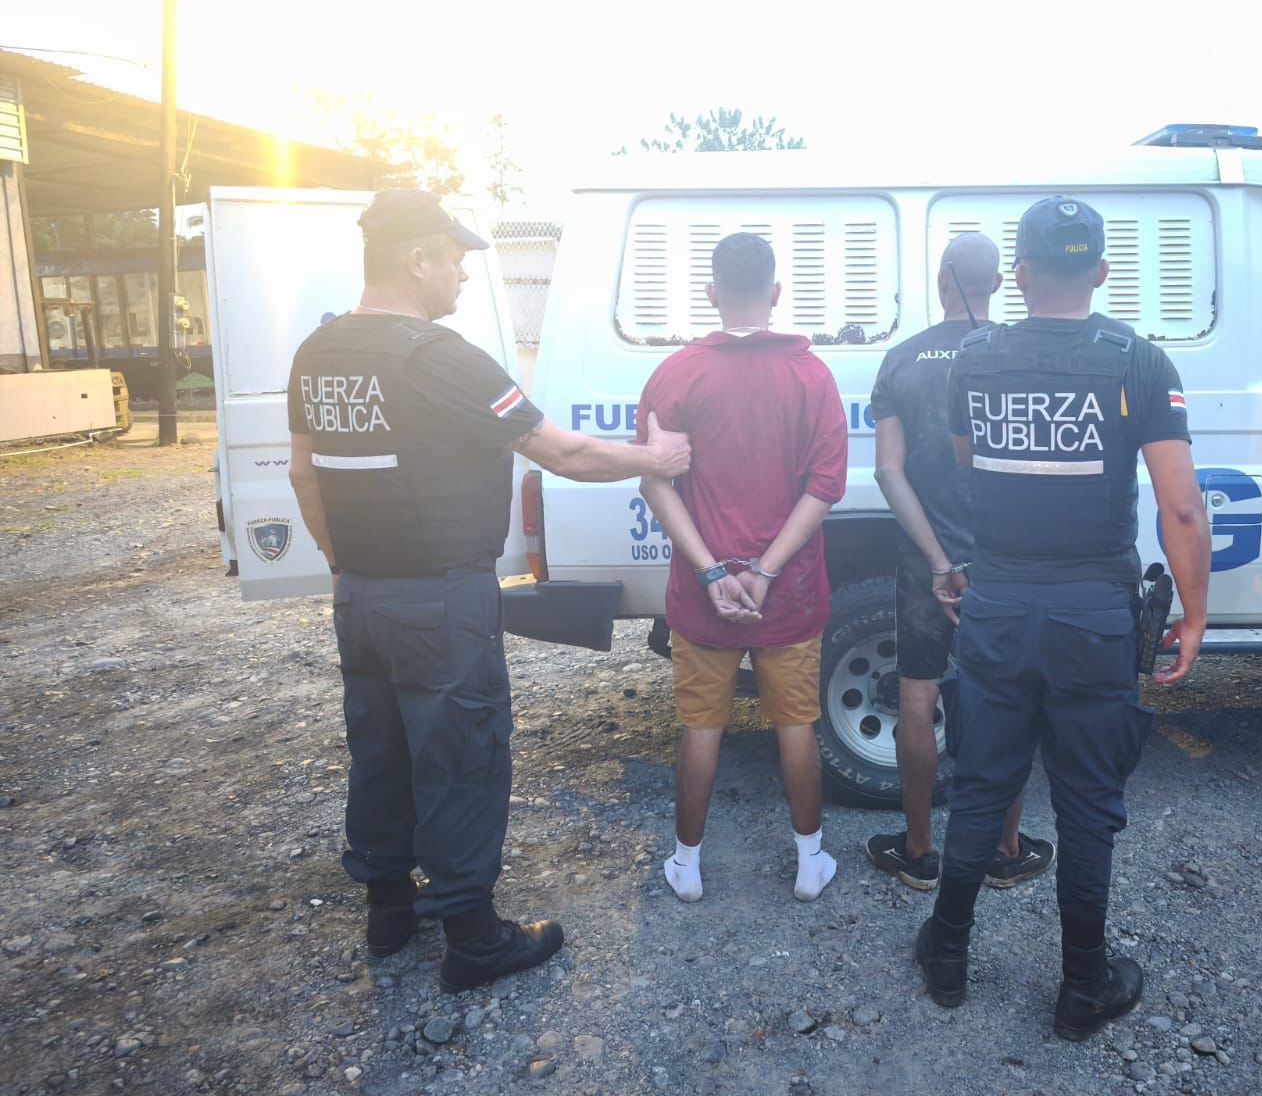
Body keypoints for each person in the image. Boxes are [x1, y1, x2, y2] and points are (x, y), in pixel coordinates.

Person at [287, 189, 691, 993]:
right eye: (457, 258)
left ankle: (388, 910)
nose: (465, 275)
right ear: (418, 258)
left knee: (381, 749)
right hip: (439, 600)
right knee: (461, 757)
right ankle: (473, 937)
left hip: (360, 596)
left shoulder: (318, 353)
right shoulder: (440, 359)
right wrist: (657, 460)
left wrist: (343, 567)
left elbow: (304, 473)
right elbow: (564, 455)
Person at [913, 196, 1210, 1041]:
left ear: (1022, 273)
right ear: (1104, 272)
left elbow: (974, 465)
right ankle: (1084, 985)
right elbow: (1181, 510)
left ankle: (946, 952)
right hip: (1094, 616)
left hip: (999, 605)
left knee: (981, 787)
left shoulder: (973, 358)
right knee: (1086, 804)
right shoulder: (1140, 362)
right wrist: (1193, 614)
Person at [636, 232, 848, 905]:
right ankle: (810, 863)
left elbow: (655, 483)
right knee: (796, 725)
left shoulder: (677, 374)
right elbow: (825, 486)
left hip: (704, 598)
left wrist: (709, 572)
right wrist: (764, 570)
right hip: (787, 593)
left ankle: (686, 865)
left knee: (702, 729)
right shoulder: (811, 375)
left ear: (712, 293)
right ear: (776, 293)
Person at [865, 232, 1053, 891]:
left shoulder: (902, 359)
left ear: (940, 280)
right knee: (1009, 697)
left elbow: (889, 473)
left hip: (927, 560)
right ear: (999, 284)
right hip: (1007, 560)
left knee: (917, 694)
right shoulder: (1025, 356)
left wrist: (941, 561)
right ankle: (1004, 850)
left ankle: (918, 853)